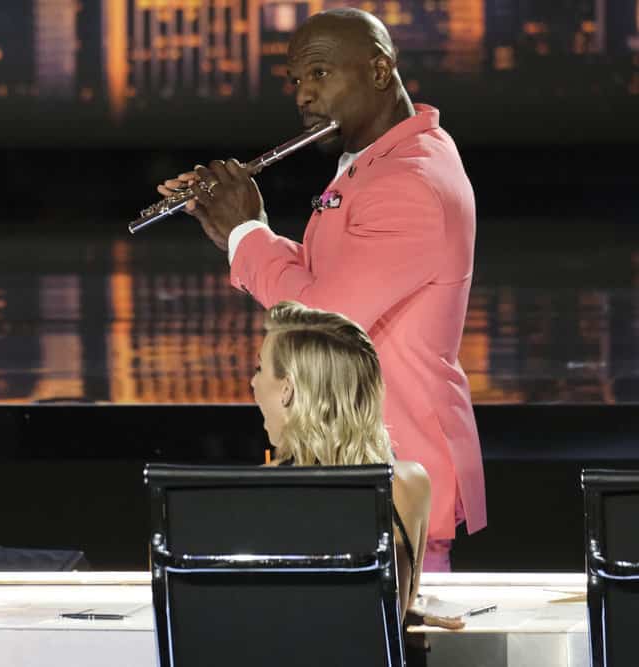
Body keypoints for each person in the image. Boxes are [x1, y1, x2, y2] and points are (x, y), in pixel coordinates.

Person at [158, 7, 485, 570]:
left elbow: (321, 314)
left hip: (396, 465)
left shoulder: (410, 183)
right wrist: (238, 232)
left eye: (320, 75)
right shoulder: (383, 162)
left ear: (380, 72)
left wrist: (246, 231)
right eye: (296, 81)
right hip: (355, 461)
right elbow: (326, 276)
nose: (304, 95)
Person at [253, 300, 429, 612]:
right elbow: (396, 612)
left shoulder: (258, 490)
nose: (253, 382)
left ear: (288, 390)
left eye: (259, 368)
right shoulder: (411, 484)